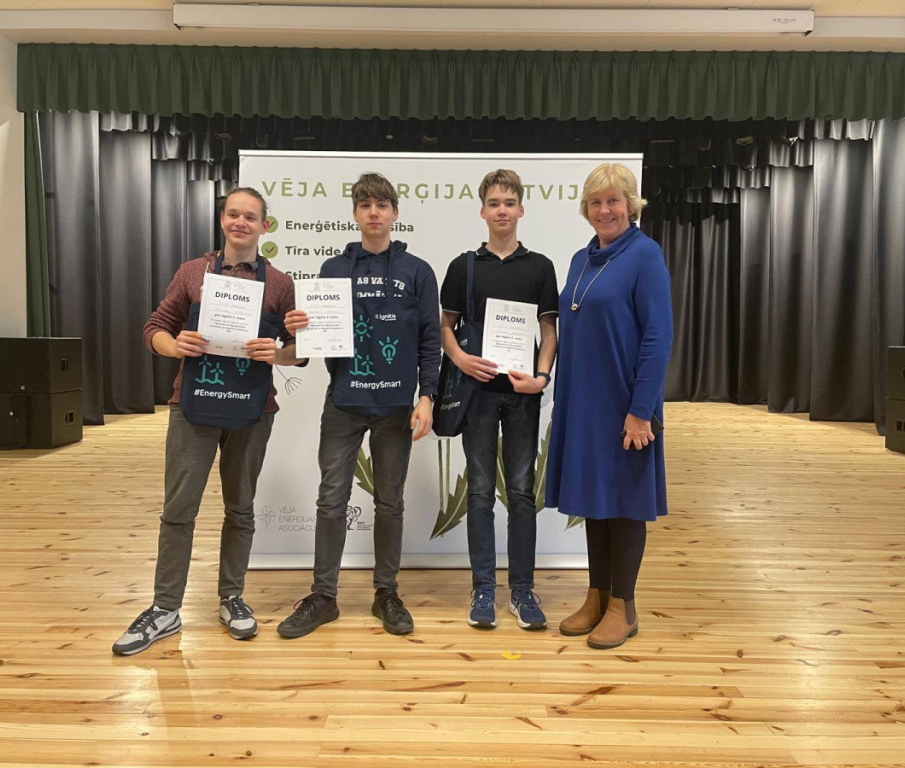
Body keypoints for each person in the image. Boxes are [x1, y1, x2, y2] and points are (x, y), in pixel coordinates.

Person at [113, 187, 305, 656]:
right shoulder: (192, 272)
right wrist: (174, 345)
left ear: (264, 226)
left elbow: (300, 354)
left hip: (253, 411)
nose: (241, 222)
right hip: (192, 406)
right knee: (178, 511)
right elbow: (154, 329)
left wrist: (278, 352)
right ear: (222, 220)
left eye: (251, 217)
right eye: (233, 214)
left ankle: (231, 598)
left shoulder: (280, 284)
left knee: (240, 509)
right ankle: (165, 608)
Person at [277, 172, 440, 638]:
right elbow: (313, 341)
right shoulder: (332, 270)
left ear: (394, 213)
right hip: (344, 402)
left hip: (396, 406)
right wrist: (299, 328)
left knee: (390, 502)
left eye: (382, 205)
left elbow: (430, 340)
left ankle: (386, 593)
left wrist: (426, 396)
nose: (374, 212)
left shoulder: (417, 271)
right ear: (354, 214)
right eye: (365, 205)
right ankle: (323, 597)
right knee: (331, 499)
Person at [545, 163, 673, 650]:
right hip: (583, 403)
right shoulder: (581, 259)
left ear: (631, 205)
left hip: (625, 403)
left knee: (625, 504)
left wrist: (640, 411)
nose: (605, 210)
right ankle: (597, 596)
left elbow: (658, 338)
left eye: (614, 201)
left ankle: (624, 606)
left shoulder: (645, 255)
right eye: (596, 202)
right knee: (595, 503)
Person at [438, 169, 558, 630]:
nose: (502, 210)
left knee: (522, 492)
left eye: (509, 202)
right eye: (494, 203)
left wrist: (541, 378)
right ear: (483, 211)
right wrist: (461, 359)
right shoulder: (463, 266)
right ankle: (483, 588)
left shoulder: (540, 266)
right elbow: (445, 326)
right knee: (480, 491)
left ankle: (522, 590)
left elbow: (548, 330)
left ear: (521, 209)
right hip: (478, 394)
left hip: (522, 394)